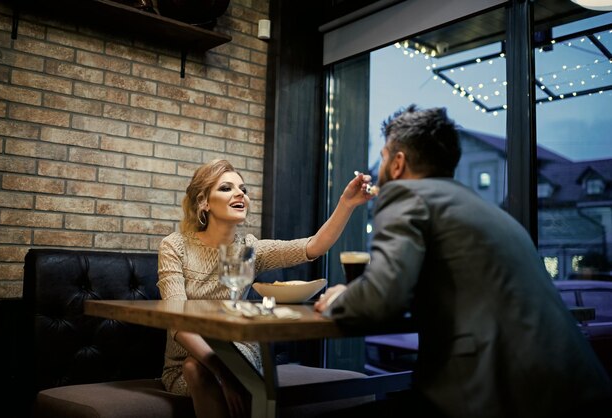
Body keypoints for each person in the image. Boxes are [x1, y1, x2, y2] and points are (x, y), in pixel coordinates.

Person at [315, 105, 612, 418]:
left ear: (399, 163)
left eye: (386, 155)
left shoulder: (405, 195)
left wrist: (341, 296)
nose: (382, 166)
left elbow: (381, 299)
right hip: (576, 388)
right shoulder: (484, 209)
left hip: (502, 395)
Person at [157, 158, 373, 418]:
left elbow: (313, 246)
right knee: (194, 368)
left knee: (202, 369)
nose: (240, 194)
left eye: (243, 189)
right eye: (226, 188)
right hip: (184, 365)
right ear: (203, 202)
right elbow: (177, 321)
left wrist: (346, 204)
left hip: (238, 355)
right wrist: (223, 372)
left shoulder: (250, 248)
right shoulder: (174, 246)